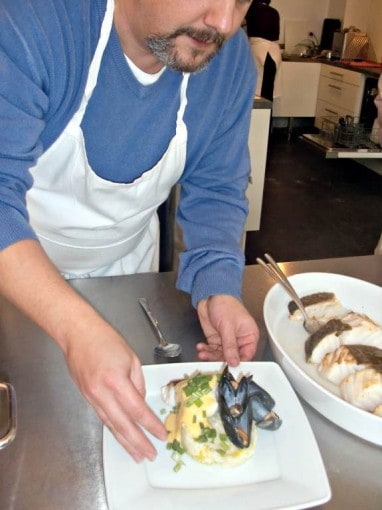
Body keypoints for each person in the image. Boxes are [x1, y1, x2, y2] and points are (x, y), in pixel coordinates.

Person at [0, 0, 259, 463]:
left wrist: (218, 284)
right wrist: (76, 328)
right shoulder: (33, 19)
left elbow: (217, 189)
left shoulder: (228, 58)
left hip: (123, 275)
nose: (223, 22)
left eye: (242, 1)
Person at [245, 0, 282, 101]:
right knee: (268, 92)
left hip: (259, 51)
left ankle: (259, 115)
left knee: (257, 92)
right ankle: (267, 115)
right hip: (275, 53)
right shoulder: (274, 12)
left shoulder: (252, 9)